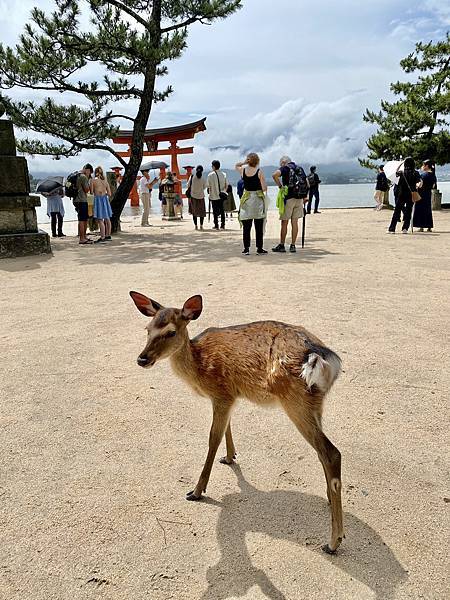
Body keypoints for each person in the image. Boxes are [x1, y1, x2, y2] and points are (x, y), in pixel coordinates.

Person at [272, 156, 308, 253]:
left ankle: (282, 245)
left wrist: (280, 186)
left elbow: (274, 175)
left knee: (284, 222)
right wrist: (305, 196)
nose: (281, 166)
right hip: (299, 198)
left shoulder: (285, 168)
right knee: (294, 222)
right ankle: (293, 245)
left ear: (284, 162)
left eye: (281, 164)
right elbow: (306, 182)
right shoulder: (299, 168)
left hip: (289, 198)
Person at [235, 153, 268, 255]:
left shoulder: (243, 170)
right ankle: (259, 248)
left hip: (247, 199)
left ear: (248, 161)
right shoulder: (259, 172)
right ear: (257, 161)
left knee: (246, 227)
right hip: (257, 200)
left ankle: (246, 249)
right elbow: (264, 188)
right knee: (258, 226)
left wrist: (245, 162)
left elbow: (237, 165)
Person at [388, 157, 421, 234]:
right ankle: (405, 228)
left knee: (397, 211)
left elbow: (396, 172)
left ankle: (392, 229)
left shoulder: (401, 172)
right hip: (411, 194)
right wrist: (418, 185)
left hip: (401, 194)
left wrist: (401, 163)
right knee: (409, 211)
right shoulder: (415, 173)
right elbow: (419, 182)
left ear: (405, 164)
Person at [413, 159, 436, 232]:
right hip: (428, 194)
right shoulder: (433, 175)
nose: (422, 166)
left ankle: (421, 227)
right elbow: (433, 185)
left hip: (421, 194)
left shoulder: (423, 175)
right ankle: (429, 227)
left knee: (420, 210)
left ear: (426, 166)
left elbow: (420, 185)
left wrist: (416, 185)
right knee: (428, 210)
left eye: (423, 165)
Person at [91, 166, 112, 243]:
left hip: (98, 199)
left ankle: (102, 236)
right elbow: (109, 194)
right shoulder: (105, 181)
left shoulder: (93, 181)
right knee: (107, 218)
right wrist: (104, 193)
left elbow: (91, 192)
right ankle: (108, 235)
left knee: (100, 219)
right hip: (105, 199)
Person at [207, 160, 227, 230]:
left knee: (215, 211)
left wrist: (210, 192)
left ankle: (216, 225)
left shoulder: (210, 175)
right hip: (221, 195)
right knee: (222, 210)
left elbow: (208, 186)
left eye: (212, 166)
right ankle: (223, 225)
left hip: (213, 196)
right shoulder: (224, 174)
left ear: (214, 166)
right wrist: (224, 191)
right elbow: (226, 185)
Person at [76, 163, 93, 245]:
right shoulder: (83, 177)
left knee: (83, 219)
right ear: (88, 170)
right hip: (82, 200)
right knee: (82, 220)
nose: (90, 174)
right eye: (90, 172)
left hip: (78, 200)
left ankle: (84, 237)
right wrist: (90, 186)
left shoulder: (78, 175)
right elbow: (87, 190)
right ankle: (82, 238)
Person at [187, 165, 207, 230]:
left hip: (193, 197)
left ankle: (196, 226)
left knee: (194, 212)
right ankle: (201, 225)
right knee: (201, 212)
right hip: (201, 197)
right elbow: (204, 187)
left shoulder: (192, 177)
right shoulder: (203, 179)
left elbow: (188, 185)